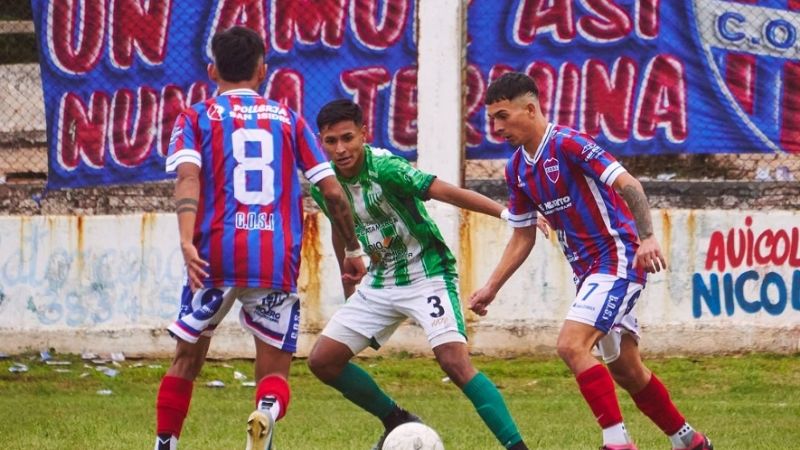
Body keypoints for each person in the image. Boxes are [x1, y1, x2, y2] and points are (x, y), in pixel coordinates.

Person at [469, 72, 713, 450]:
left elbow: (629, 184)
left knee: (571, 345)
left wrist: (647, 237)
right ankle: (689, 440)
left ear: (530, 109)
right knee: (627, 370)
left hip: (617, 259)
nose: (496, 127)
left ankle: (617, 442)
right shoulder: (517, 168)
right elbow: (522, 234)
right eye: (492, 119)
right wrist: (491, 287)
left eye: (502, 116)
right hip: (589, 274)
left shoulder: (569, 143)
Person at [156, 27, 365, 450]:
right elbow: (332, 193)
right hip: (273, 257)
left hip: (213, 255)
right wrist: (353, 250)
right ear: (262, 70)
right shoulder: (289, 119)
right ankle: (266, 412)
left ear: (212, 70)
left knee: (186, 360)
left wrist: (185, 239)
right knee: (273, 371)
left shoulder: (194, 117)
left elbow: (187, 177)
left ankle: (165, 444)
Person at [305, 99, 531, 450]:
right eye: (331, 141)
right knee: (323, 361)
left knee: (454, 362)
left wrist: (505, 214)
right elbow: (340, 222)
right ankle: (397, 419)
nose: (341, 149)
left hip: (428, 273)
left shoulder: (387, 169)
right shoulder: (324, 184)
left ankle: (518, 448)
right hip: (380, 280)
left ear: (364, 133)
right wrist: (348, 268)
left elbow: (446, 191)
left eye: (348, 138)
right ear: (321, 142)